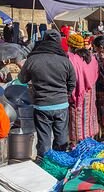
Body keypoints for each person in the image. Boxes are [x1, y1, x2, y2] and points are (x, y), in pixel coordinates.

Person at [18, 29, 76, 160]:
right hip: (61, 105)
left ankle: (44, 165)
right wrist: (65, 94)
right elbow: (72, 81)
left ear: (44, 40)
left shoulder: (32, 59)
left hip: (42, 106)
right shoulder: (65, 60)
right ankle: (59, 163)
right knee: (61, 137)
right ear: (58, 42)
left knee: (44, 138)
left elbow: (22, 79)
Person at [67, 34, 99, 147]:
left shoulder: (72, 58)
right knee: (89, 118)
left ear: (70, 46)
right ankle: (89, 143)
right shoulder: (92, 58)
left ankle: (76, 145)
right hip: (90, 93)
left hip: (78, 93)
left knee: (77, 120)